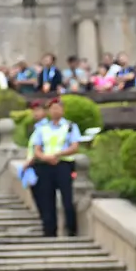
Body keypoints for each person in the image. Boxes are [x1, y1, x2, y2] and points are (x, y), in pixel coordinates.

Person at [27, 97, 80, 237]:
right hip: (45, 165)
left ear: (62, 110)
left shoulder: (70, 126)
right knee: (46, 198)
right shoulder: (42, 128)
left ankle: (71, 228)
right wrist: (45, 157)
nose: (55, 111)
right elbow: (37, 148)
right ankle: (50, 230)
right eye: (52, 108)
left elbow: (75, 147)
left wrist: (59, 154)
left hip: (63, 164)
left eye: (58, 108)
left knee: (67, 198)